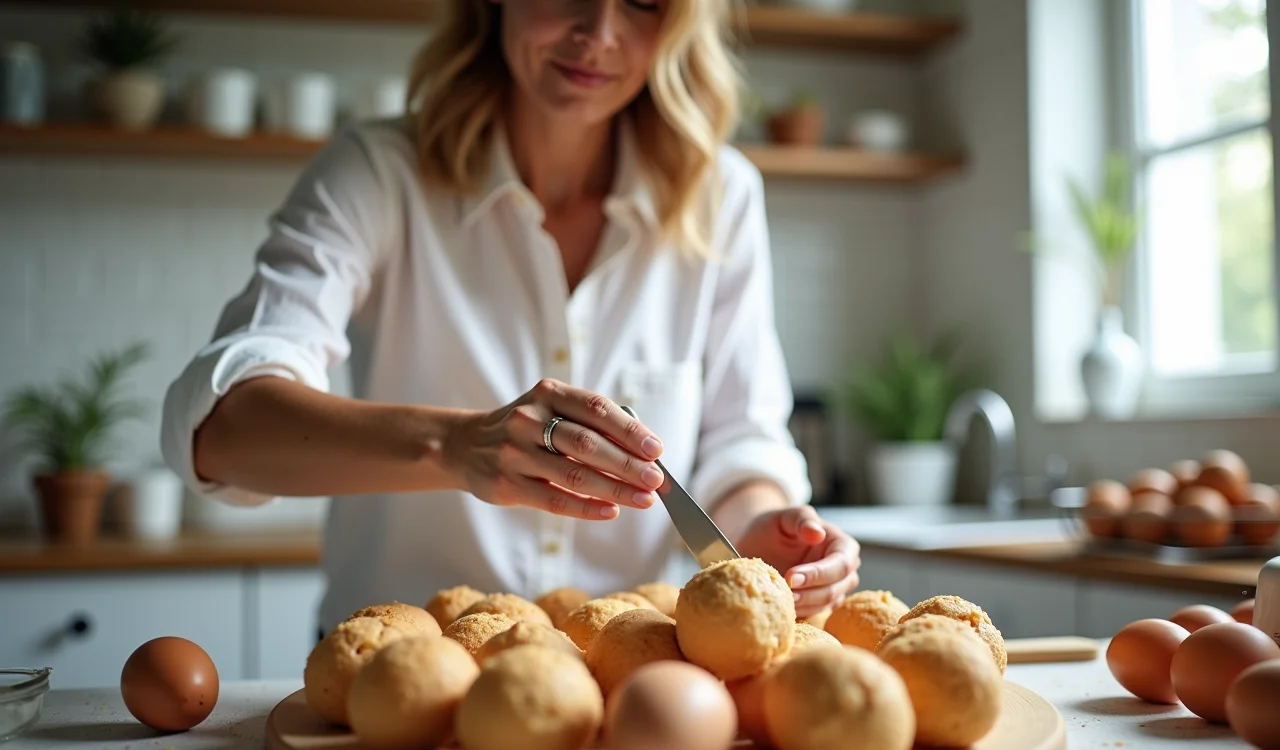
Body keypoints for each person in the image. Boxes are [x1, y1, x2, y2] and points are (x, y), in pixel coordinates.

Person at [160, 0, 861, 634]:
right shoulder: (377, 174)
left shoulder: (720, 195)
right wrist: (453, 445)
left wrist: (764, 526)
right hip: (397, 666)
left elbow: (742, 440)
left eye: (643, 3)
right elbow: (219, 430)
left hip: (621, 675)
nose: (599, 34)